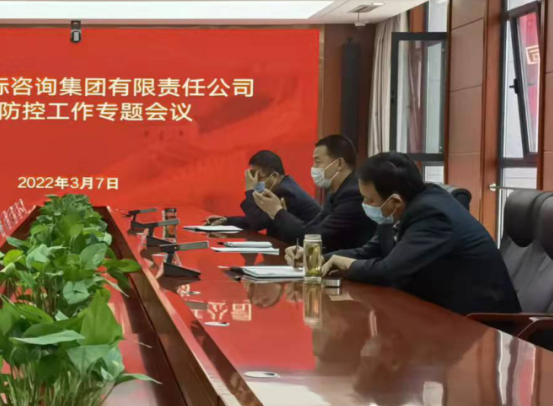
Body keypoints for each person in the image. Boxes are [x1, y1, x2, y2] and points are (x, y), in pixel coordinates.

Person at [319, 152, 520, 315]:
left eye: (369, 200)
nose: (364, 205)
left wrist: (349, 265)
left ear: (395, 201)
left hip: (479, 321)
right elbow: (369, 252)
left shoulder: (433, 215)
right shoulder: (399, 208)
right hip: (436, 310)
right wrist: (322, 259)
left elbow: (389, 272)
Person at [265, 134, 375, 256]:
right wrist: (281, 214)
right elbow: (310, 230)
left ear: (339, 164)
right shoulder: (334, 193)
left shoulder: (354, 194)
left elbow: (314, 238)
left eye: (318, 162)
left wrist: (278, 212)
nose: (313, 167)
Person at [207, 150, 321, 232]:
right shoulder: (282, 185)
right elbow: (261, 218)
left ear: (274, 176)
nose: (254, 181)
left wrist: (250, 190)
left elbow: (257, 223)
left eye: (258, 177)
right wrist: (226, 220)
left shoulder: (285, 191)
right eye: (252, 176)